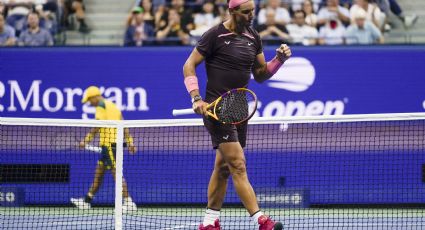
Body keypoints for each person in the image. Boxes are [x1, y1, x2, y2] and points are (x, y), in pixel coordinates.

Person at [182, 0, 291, 229]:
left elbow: (260, 74)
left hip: (239, 109)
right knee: (238, 165)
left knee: (223, 168)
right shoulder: (214, 35)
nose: (252, 15)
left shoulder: (254, 37)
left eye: (253, 11)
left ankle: (209, 223)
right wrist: (196, 97)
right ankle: (261, 220)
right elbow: (189, 65)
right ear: (232, 11)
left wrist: (278, 60)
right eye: (246, 12)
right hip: (217, 109)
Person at [70, 86, 138, 213]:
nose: (90, 103)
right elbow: (124, 125)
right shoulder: (113, 106)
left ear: (94, 96)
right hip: (112, 144)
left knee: (117, 174)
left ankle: (129, 202)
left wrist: (86, 140)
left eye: (89, 100)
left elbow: (97, 126)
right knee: (99, 174)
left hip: (109, 145)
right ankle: (87, 200)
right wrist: (130, 142)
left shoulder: (101, 105)